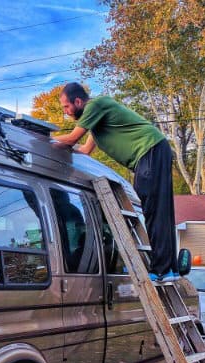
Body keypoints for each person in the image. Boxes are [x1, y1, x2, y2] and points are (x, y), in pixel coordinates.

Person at [53, 82, 178, 281]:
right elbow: (84, 150)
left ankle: (161, 270)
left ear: (78, 101)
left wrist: (42, 138)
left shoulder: (96, 105)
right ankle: (171, 268)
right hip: (154, 151)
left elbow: (71, 139)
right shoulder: (96, 122)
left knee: (154, 210)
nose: (66, 112)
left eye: (66, 107)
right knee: (160, 210)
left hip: (149, 150)